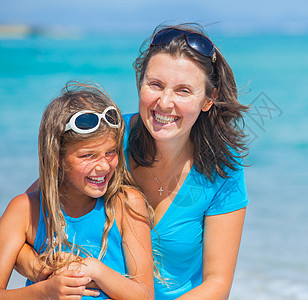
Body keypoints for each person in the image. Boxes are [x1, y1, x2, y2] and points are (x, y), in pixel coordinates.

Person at [17, 23, 249, 299]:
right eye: (155, 85)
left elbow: (217, 284)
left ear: (209, 99)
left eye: (183, 91)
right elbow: (25, 219)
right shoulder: (106, 141)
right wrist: (39, 269)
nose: (164, 102)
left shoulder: (222, 168)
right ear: (140, 82)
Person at [1, 82, 155, 299]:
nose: (103, 166)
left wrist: (93, 269)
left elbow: (145, 295)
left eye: (110, 152)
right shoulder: (24, 211)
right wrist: (44, 291)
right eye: (88, 155)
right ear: (58, 158)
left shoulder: (126, 204)